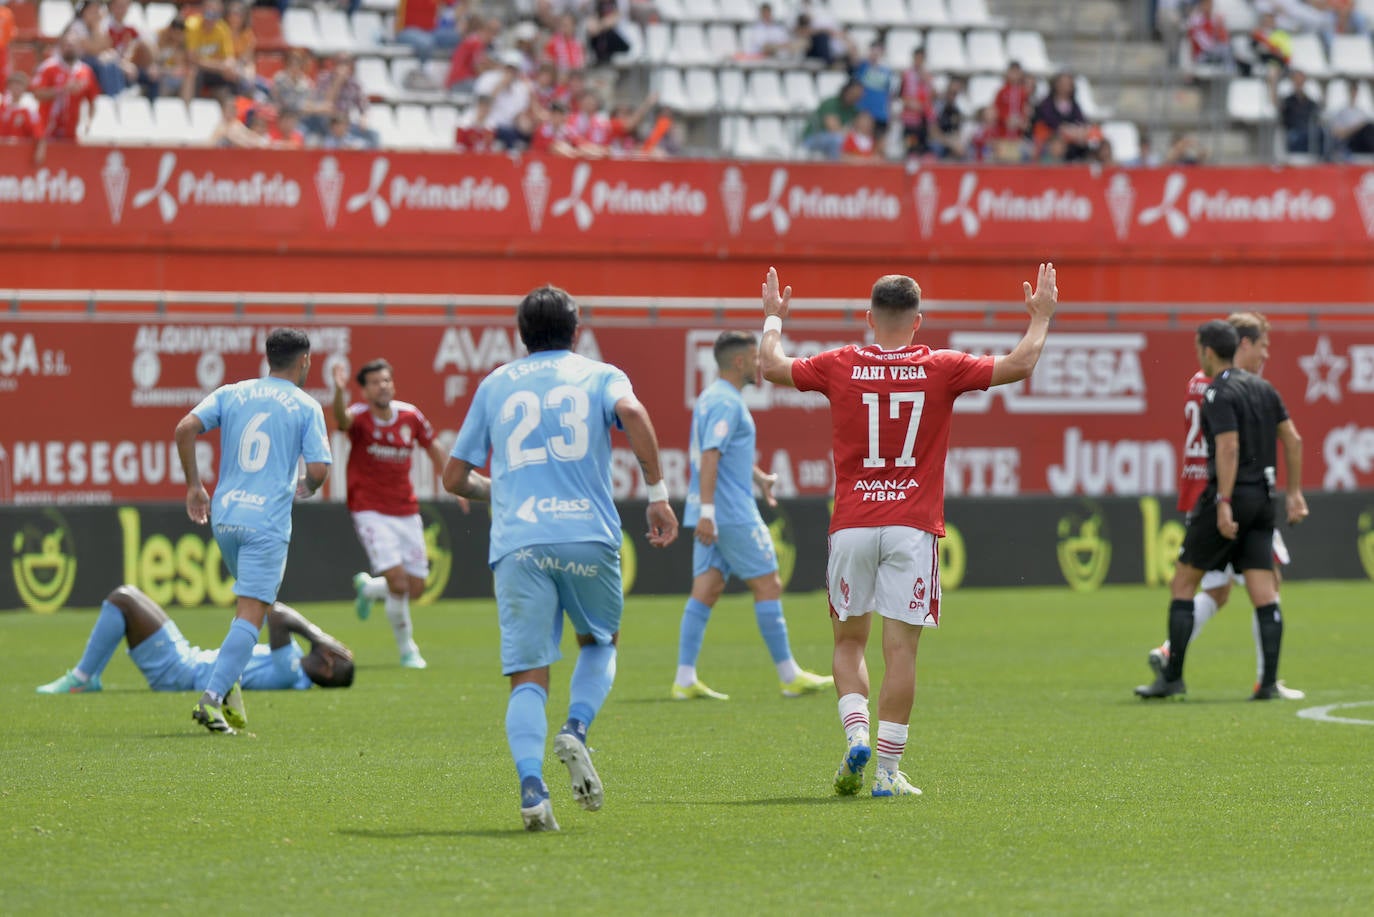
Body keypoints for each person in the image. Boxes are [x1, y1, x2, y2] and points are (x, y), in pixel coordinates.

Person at [759, 263, 1058, 798]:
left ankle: (856, 735)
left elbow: (771, 366)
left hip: (852, 524)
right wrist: (1040, 317)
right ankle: (888, 773)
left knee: (849, 643)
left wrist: (773, 320)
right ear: (917, 321)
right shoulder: (940, 367)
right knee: (901, 652)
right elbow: (1021, 363)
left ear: (869, 318)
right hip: (911, 527)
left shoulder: (841, 364)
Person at [442, 285, 679, 832]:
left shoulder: (496, 383)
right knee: (599, 642)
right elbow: (633, 413)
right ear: (576, 331)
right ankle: (575, 727)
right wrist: (658, 492)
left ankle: (531, 788)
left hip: (519, 541)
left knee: (527, 674)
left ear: (521, 336)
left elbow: (454, 477)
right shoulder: (600, 374)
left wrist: (497, 491)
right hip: (586, 535)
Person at [1137, 320, 1308, 701]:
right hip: (1264, 499)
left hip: (1226, 495)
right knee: (1264, 590)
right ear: (1241, 345)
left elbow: (1228, 448)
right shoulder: (1264, 388)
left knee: (1184, 583)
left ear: (1208, 351)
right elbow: (1294, 440)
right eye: (1262, 345)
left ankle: (1172, 673)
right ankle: (1267, 683)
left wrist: (1224, 501)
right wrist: (1294, 493)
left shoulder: (1212, 389)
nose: (1265, 353)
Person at [173, 328, 332, 734]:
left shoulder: (233, 392)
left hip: (225, 517)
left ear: (268, 358)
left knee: (248, 611)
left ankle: (229, 687)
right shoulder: (305, 405)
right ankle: (211, 700)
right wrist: (308, 487)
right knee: (251, 615)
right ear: (305, 361)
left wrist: (194, 485)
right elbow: (318, 470)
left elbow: (185, 428)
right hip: (266, 522)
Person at [672, 331, 833, 703]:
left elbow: (722, 455)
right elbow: (711, 455)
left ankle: (684, 677)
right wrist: (712, 513)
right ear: (741, 361)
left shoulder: (710, 398)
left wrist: (759, 478)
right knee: (768, 584)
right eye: (756, 358)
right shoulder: (727, 403)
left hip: (710, 508)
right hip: (729, 513)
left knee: (707, 589)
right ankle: (789, 675)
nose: (761, 365)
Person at [334, 358, 457, 669]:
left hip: (406, 510)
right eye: (375, 382)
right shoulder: (360, 418)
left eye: (386, 380)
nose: (382, 386)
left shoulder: (410, 415)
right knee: (399, 584)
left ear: (393, 384)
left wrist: (453, 483)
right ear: (364, 391)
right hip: (370, 510)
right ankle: (408, 650)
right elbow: (341, 420)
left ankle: (370, 588)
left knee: (415, 587)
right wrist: (338, 392)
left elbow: (433, 447)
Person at [36, 586, 354, 704]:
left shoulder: (289, 673)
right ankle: (89, 677)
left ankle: (82, 678)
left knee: (123, 599)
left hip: (180, 673)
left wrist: (317, 634)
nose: (331, 646)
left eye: (334, 651)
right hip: (186, 660)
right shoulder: (294, 666)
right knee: (126, 598)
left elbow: (278, 614)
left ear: (327, 667)